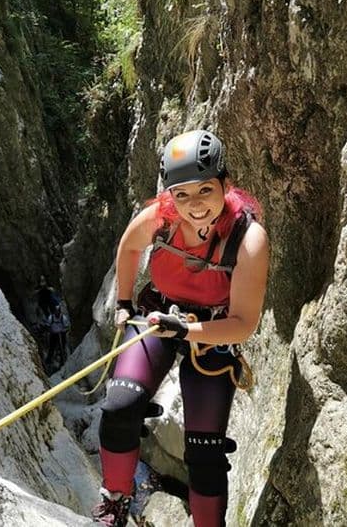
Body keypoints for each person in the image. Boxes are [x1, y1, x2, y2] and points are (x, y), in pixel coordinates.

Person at [92, 130, 269, 527]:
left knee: (204, 452)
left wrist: (185, 331)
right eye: (182, 194)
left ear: (225, 184)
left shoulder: (247, 239)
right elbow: (128, 246)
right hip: (159, 315)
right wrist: (123, 302)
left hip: (212, 333)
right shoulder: (161, 218)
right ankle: (115, 501)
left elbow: (243, 325)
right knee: (120, 405)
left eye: (205, 190)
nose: (194, 205)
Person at [44, 304, 70, 372]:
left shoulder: (63, 318)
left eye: (58, 311)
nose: (57, 313)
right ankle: (49, 361)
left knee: (62, 348)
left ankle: (62, 362)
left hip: (62, 335)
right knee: (51, 348)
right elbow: (47, 326)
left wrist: (62, 331)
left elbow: (67, 327)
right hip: (53, 335)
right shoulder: (51, 317)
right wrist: (50, 331)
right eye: (56, 311)